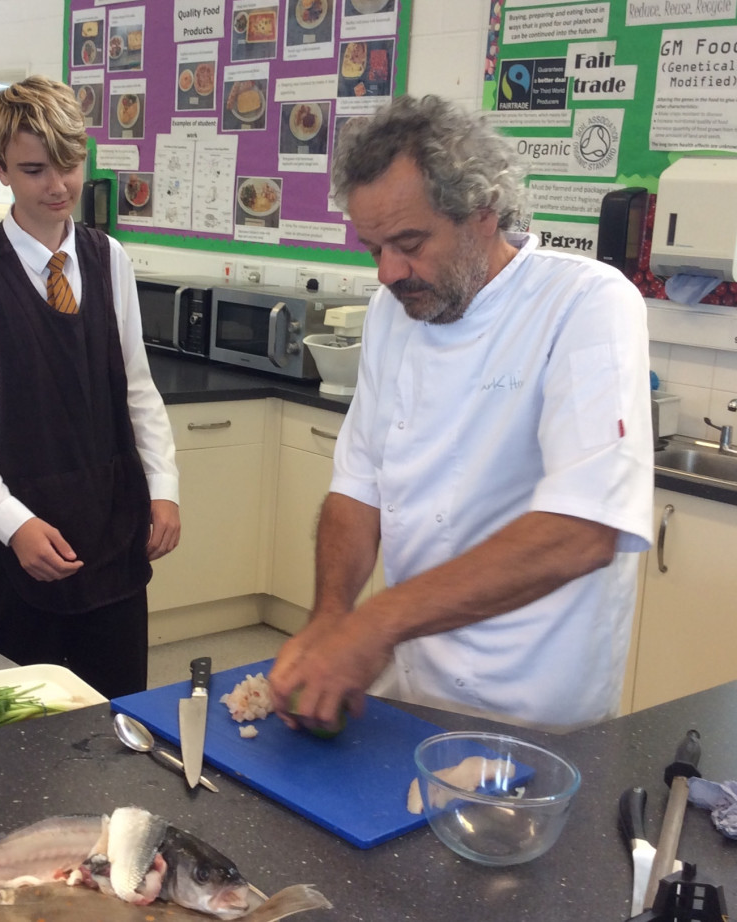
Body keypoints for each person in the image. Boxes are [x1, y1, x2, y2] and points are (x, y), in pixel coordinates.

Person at [268, 95, 653, 733]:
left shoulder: (585, 304)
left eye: (409, 242)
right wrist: (332, 617)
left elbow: (584, 530)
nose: (389, 272)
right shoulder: (395, 311)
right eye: (373, 249)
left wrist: (376, 623)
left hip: (537, 707)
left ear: (483, 213)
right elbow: (358, 484)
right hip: (411, 694)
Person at [0, 75, 180, 699]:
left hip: (111, 534)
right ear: (0, 169)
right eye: (35, 169)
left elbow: (136, 388)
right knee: (24, 733)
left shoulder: (109, 258)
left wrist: (165, 487)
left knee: (117, 716)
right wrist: (14, 524)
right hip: (20, 549)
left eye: (70, 163)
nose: (59, 184)